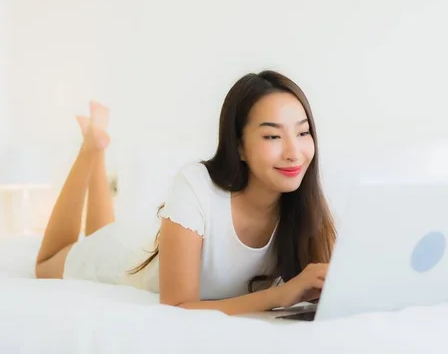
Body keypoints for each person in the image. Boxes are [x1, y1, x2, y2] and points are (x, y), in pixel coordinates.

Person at [34, 70, 337, 316]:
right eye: (272, 136)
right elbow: (177, 306)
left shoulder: (304, 206)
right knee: (47, 263)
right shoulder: (197, 185)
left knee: (103, 229)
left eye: (302, 132)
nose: (294, 152)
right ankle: (90, 149)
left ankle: (97, 147)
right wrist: (280, 295)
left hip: (147, 241)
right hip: (123, 257)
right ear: (239, 146)